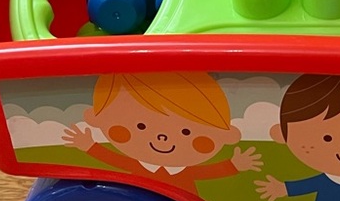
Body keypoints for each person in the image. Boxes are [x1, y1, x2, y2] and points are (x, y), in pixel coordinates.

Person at [63, 71, 261, 194]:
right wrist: (88, 146)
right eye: (141, 126)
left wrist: (233, 165)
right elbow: (116, 160)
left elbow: (205, 172)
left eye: (186, 132)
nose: (162, 137)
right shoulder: (141, 165)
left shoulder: (182, 170)